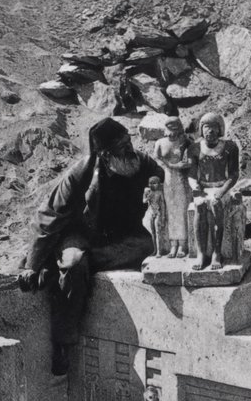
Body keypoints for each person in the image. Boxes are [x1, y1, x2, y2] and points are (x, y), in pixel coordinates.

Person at [18, 117, 164, 375]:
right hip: (80, 233)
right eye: (122, 147)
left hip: (121, 237)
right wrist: (32, 265)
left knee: (148, 247)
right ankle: (63, 343)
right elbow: (48, 218)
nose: (130, 149)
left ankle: (68, 264)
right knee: (74, 264)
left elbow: (169, 191)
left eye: (129, 142)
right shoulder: (81, 173)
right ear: (105, 154)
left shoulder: (143, 165)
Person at [187, 111, 242, 270]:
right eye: (206, 127)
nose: (210, 131)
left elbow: (234, 174)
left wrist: (223, 190)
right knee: (200, 206)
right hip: (203, 187)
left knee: (216, 205)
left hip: (221, 188)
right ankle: (201, 253)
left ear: (220, 129)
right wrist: (196, 190)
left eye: (213, 127)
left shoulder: (230, 147)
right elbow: (191, 174)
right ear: (201, 129)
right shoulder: (194, 148)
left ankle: (217, 253)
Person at [153, 116, 194, 257]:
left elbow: (192, 159)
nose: (173, 131)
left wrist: (184, 164)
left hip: (182, 180)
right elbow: (157, 158)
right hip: (168, 179)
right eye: (170, 127)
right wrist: (171, 165)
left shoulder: (186, 141)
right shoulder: (160, 142)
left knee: (181, 210)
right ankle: (173, 244)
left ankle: (183, 244)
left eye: (176, 127)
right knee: (171, 211)